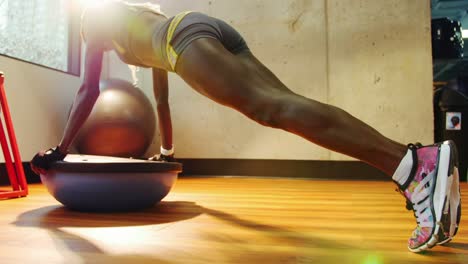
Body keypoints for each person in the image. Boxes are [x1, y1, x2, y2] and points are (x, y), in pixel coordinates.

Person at [30, 0, 461, 252]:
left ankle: (413, 165)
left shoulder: (95, 20)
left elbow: (87, 90)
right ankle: (413, 166)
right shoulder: (135, 17)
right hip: (201, 27)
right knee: (285, 106)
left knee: (274, 110)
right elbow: (160, 96)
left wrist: (62, 149)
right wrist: (166, 153)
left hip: (184, 44)